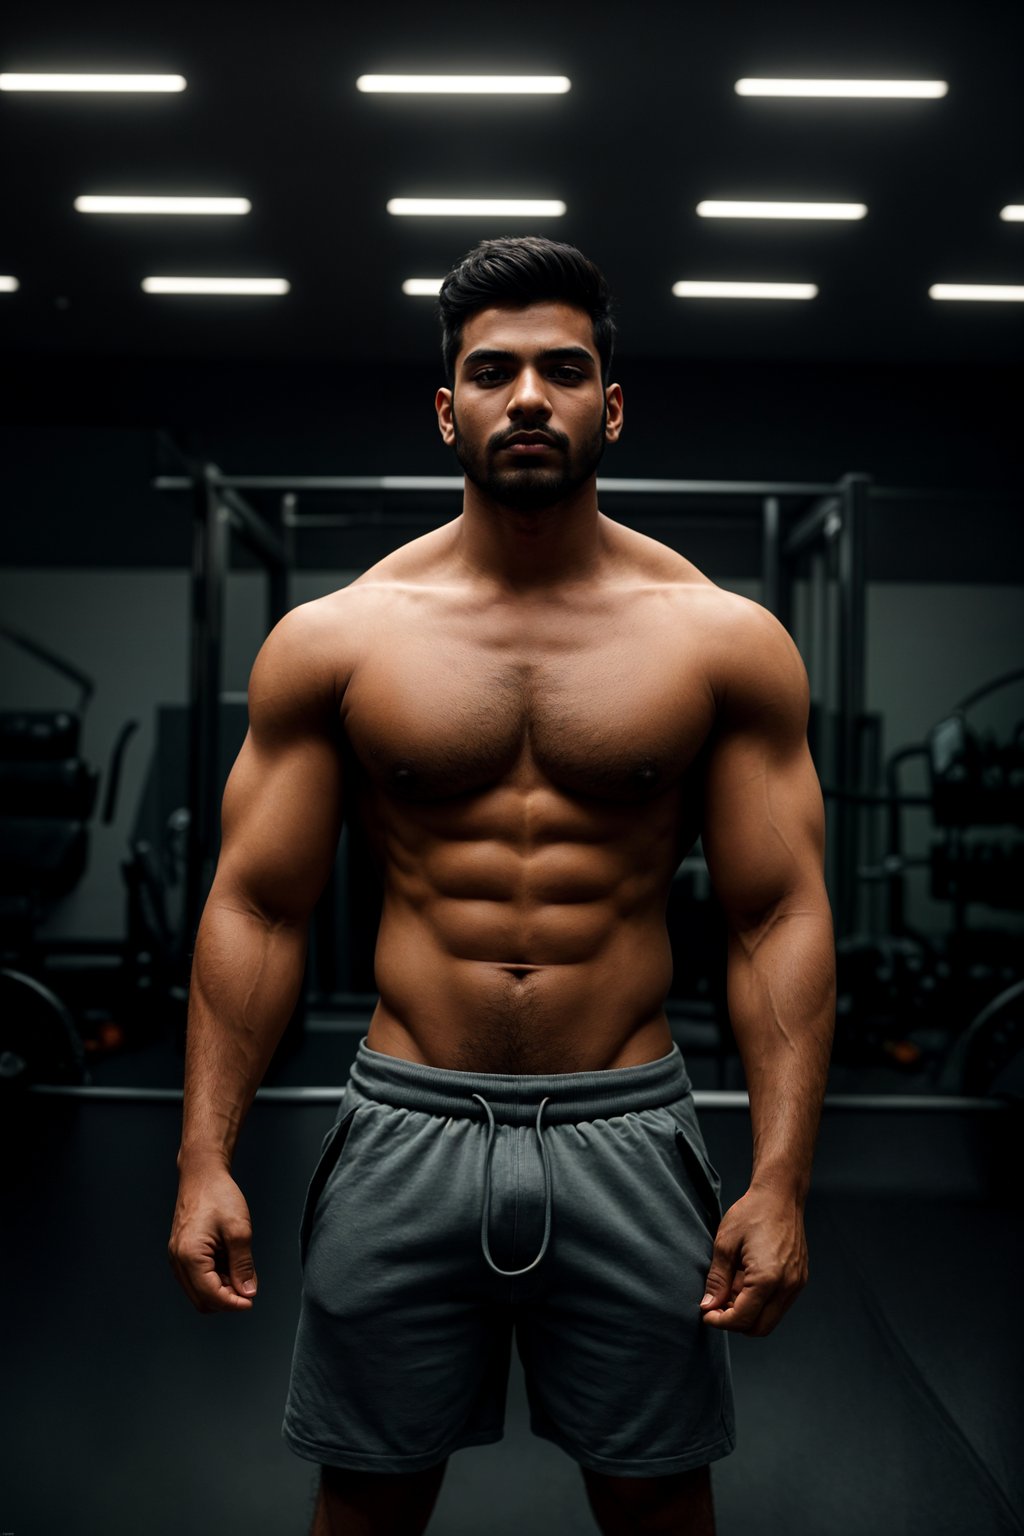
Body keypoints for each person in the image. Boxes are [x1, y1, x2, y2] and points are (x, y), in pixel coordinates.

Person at [169, 235, 836, 1536]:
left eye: (563, 369)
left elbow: (776, 914)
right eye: (494, 371)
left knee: (658, 1497)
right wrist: (204, 1158)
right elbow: (257, 903)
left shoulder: (722, 640)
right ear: (448, 408)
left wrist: (783, 1178)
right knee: (365, 1495)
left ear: (611, 405)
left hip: (629, 1130)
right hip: (403, 1126)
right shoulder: (339, 640)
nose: (528, 395)